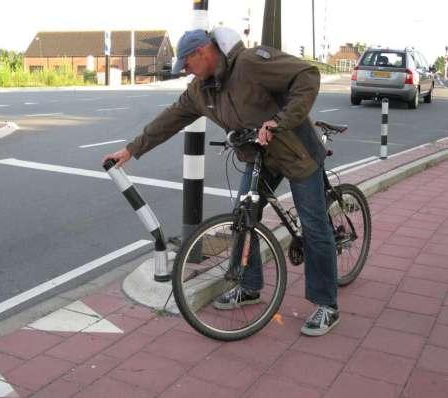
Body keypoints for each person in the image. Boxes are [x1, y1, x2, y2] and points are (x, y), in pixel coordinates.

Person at [103, 28, 339, 336]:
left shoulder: (250, 63)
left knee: (314, 226)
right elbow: (170, 119)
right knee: (243, 217)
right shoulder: (201, 90)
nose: (186, 72)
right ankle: (249, 285)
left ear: (203, 52)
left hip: (297, 152)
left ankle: (326, 305)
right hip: (259, 158)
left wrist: (281, 121)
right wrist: (132, 149)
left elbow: (307, 75)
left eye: (187, 64)